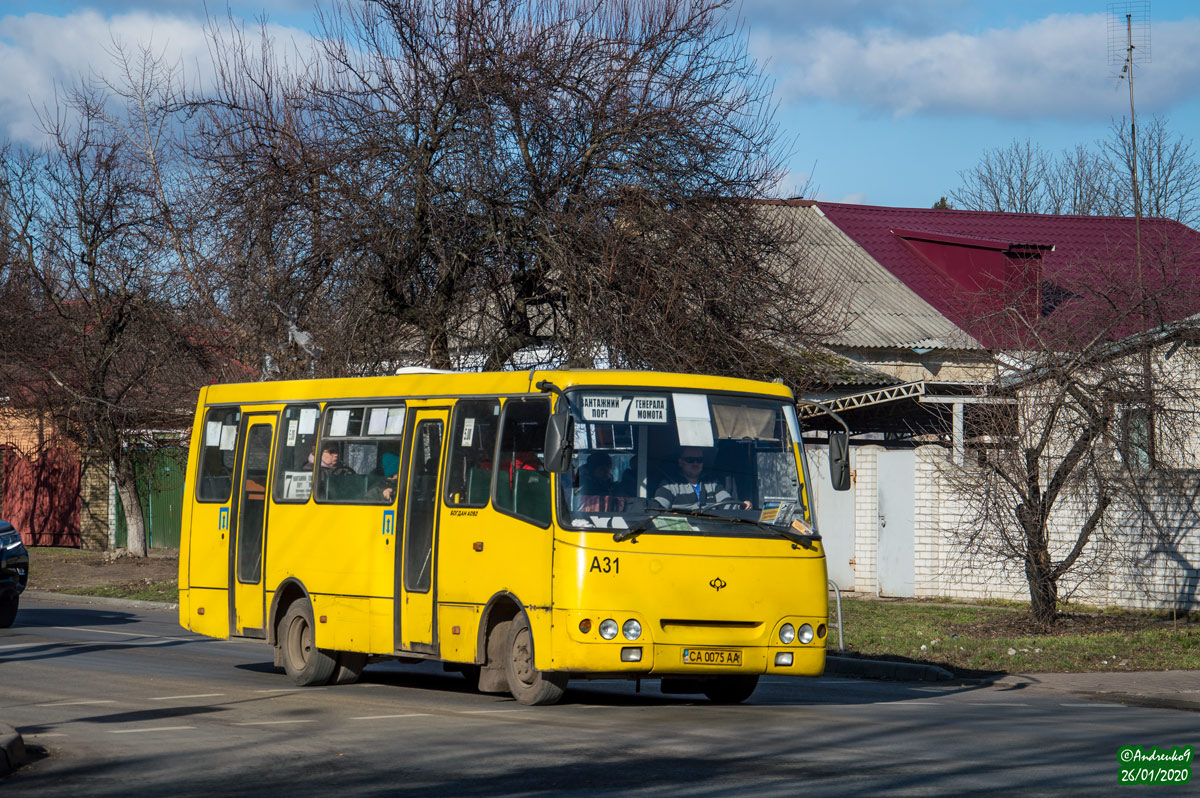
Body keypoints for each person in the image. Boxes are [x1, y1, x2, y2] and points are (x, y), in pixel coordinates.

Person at [654, 446, 750, 510]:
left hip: (712, 533)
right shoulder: (669, 485)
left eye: (699, 460)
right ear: (681, 462)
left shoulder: (712, 483)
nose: (695, 463)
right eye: (690, 460)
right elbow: (658, 509)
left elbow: (726, 503)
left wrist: (739, 506)